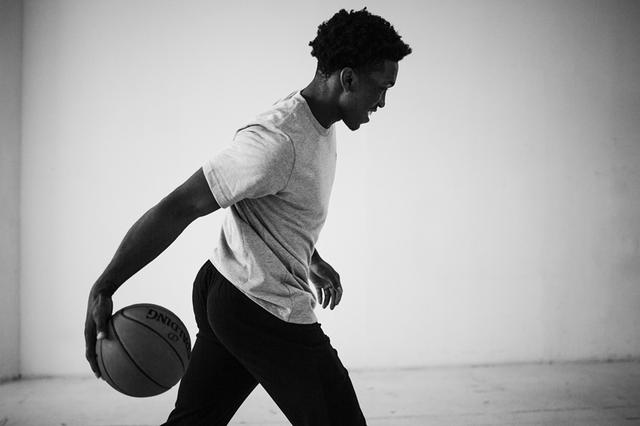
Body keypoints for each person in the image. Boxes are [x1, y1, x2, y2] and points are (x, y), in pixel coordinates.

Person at [84, 7, 411, 426]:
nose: (382, 102)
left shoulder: (318, 122)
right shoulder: (275, 141)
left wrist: (310, 257)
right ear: (347, 78)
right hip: (261, 305)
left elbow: (274, 203)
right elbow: (180, 206)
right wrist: (105, 285)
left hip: (234, 291)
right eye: (381, 88)